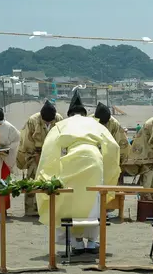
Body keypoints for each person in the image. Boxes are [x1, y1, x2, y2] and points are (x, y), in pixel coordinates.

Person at [35, 89, 120, 254]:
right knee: (94, 201)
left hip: (72, 161)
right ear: (84, 112)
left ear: (69, 113)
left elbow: (49, 149)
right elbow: (113, 146)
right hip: (94, 160)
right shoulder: (94, 123)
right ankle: (92, 242)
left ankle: (77, 242)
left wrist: (50, 171)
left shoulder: (61, 125)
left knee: (72, 202)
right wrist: (109, 170)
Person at [16, 100, 63, 216]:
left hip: (53, 154)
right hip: (35, 153)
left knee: (53, 181)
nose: (47, 122)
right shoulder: (32, 120)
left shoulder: (59, 119)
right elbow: (27, 140)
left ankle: (51, 208)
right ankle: (31, 209)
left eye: (50, 120)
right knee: (33, 180)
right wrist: (36, 155)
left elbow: (63, 137)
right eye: (46, 120)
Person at [92, 102, 130, 182]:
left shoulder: (114, 124)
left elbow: (122, 144)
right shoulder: (89, 122)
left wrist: (123, 163)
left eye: (105, 123)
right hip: (93, 158)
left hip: (111, 158)